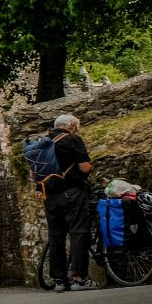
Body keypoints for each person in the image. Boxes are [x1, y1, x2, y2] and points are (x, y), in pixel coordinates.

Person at [43, 112, 97, 292]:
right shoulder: (72, 140)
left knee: (56, 236)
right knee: (78, 231)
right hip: (72, 192)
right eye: (76, 128)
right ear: (71, 126)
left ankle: (59, 280)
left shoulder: (43, 142)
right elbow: (84, 167)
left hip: (49, 196)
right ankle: (79, 278)